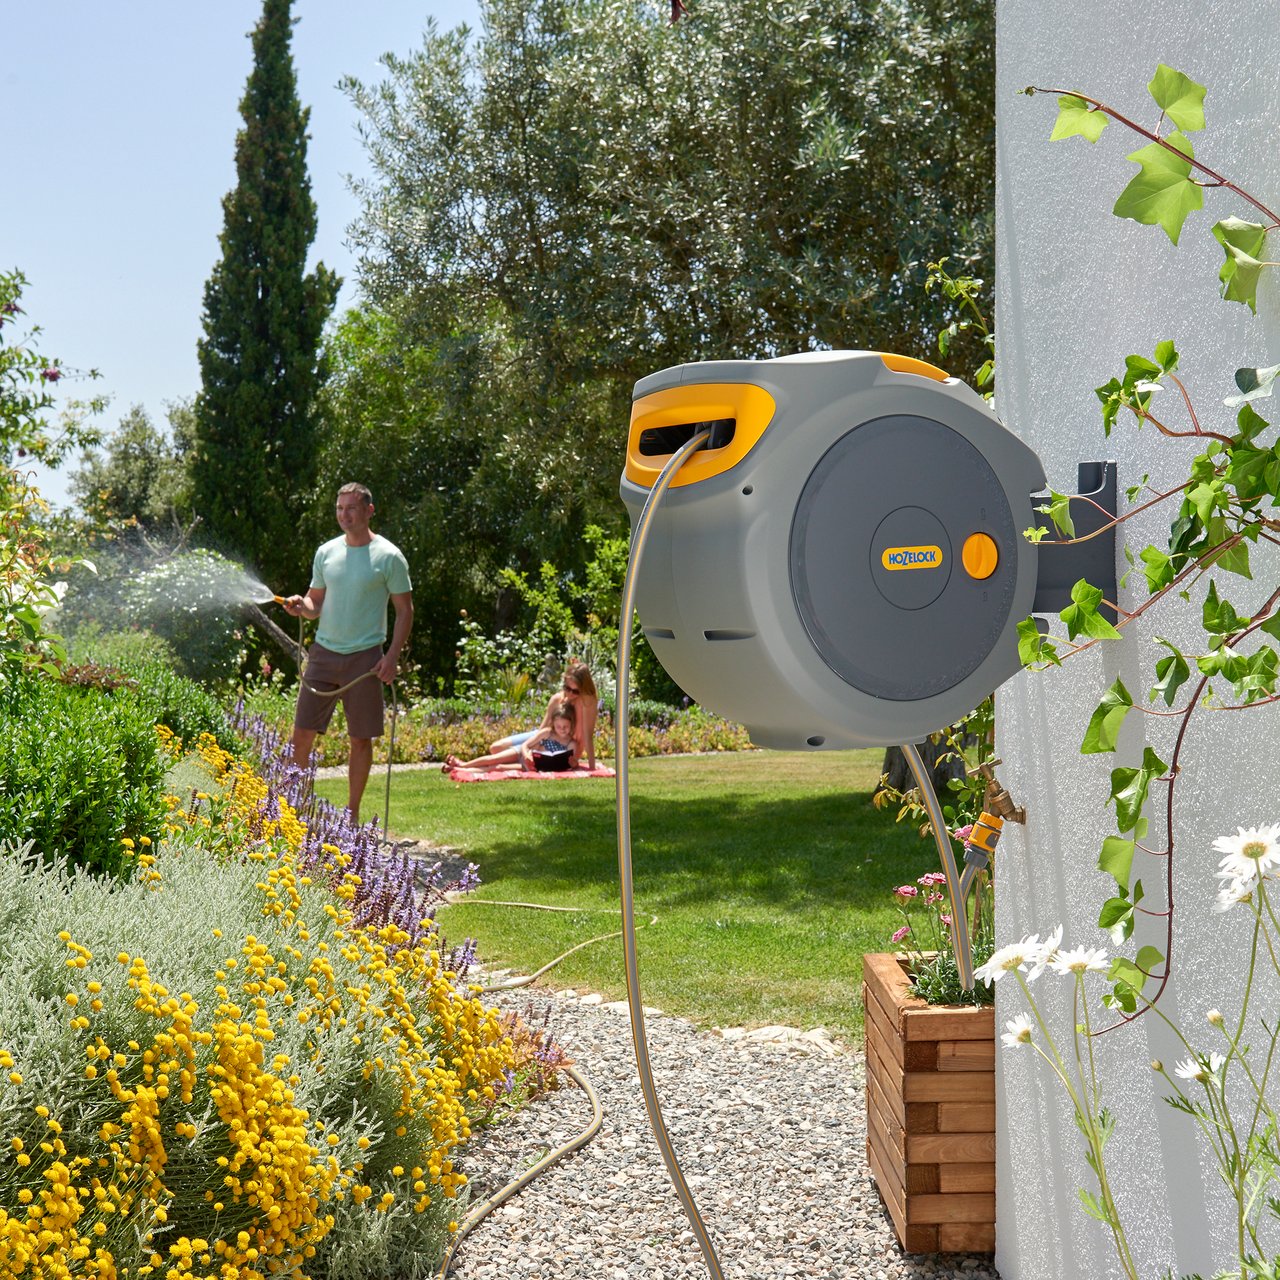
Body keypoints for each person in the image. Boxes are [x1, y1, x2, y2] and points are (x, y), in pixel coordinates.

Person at [284, 483, 413, 820]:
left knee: (360, 739)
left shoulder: (389, 557)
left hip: (366, 659)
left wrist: (392, 657)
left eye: (351, 508)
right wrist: (302, 605)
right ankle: (295, 808)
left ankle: (351, 814)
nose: (344, 515)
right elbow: (315, 603)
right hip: (324, 655)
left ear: (369, 510)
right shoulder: (326, 552)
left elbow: (405, 611)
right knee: (301, 734)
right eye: (340, 508)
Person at [447, 661, 600, 771]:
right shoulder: (557, 699)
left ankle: (464, 766)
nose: (570, 694)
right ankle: (470, 765)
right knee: (495, 748)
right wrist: (529, 748)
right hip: (544, 738)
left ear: (583, 689)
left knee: (503, 758)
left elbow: (587, 735)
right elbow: (542, 731)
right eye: (567, 688)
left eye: (575, 691)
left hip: (556, 745)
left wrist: (592, 767)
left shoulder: (586, 702)